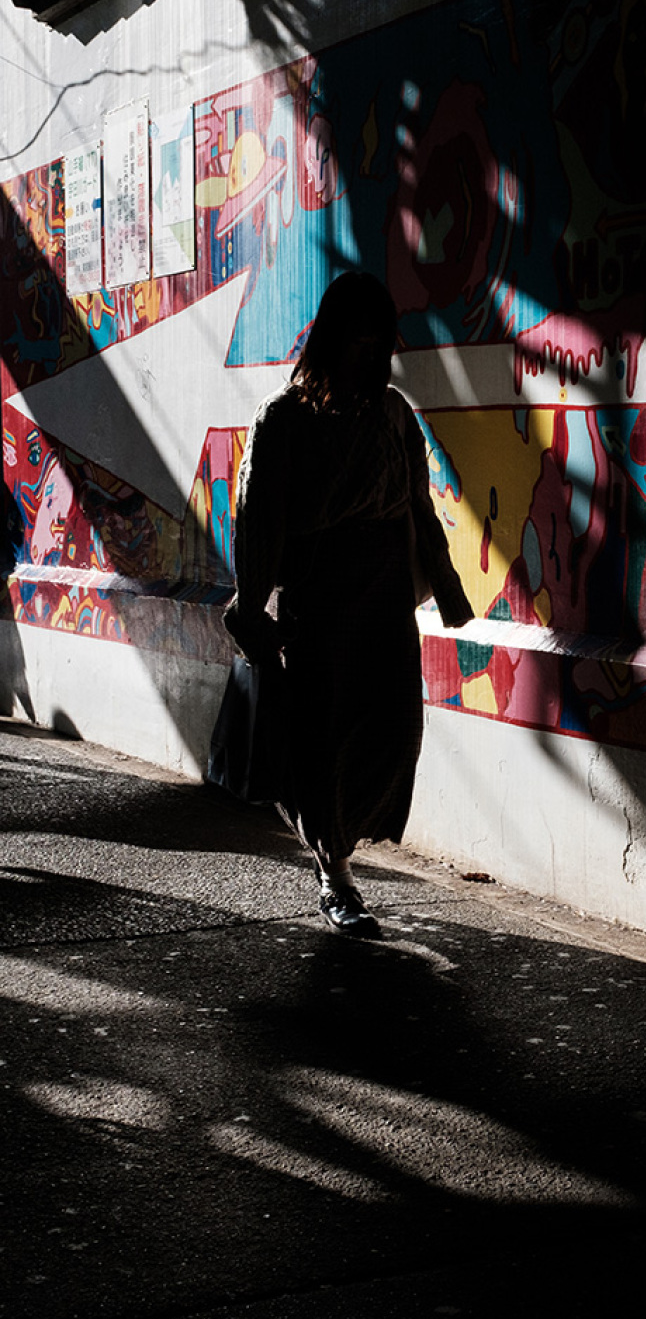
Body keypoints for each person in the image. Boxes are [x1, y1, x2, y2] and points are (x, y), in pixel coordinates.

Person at [223, 272, 474, 936]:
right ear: (333, 338)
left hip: (386, 596)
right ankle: (335, 870)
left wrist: (445, 591)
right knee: (324, 740)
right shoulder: (283, 419)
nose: (369, 353)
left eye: (378, 339)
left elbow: (417, 505)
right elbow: (259, 519)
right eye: (357, 338)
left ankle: (339, 843)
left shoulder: (393, 412)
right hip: (321, 600)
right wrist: (252, 608)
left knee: (396, 732)